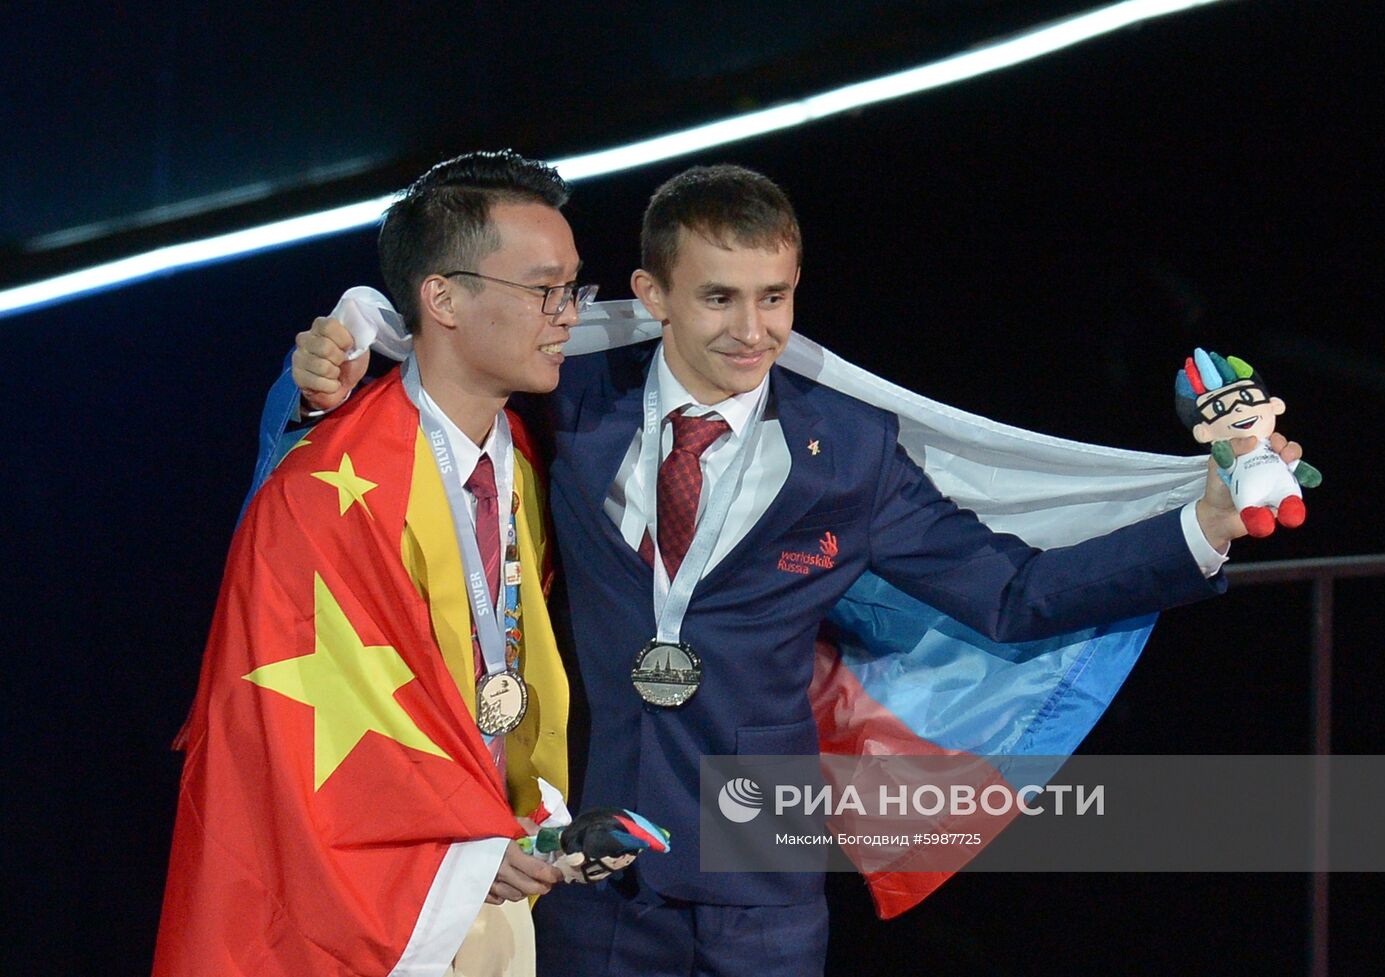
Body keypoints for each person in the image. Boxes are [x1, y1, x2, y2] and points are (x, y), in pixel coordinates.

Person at [291, 162, 1302, 977]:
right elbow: (447, 357)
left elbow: (1010, 593)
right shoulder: (577, 400)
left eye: (774, 297)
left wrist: (1202, 521)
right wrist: (338, 350)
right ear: (650, 296)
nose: (752, 330)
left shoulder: (848, 450)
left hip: (760, 887)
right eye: (719, 297)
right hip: (590, 880)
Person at [155, 151, 594, 977]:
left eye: (572, 288)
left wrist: (525, 824)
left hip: (497, 885)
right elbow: (281, 737)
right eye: (544, 290)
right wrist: (454, 855)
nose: (566, 314)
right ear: (442, 297)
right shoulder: (321, 489)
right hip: (369, 912)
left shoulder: (523, 463)